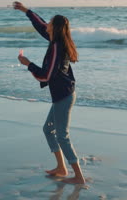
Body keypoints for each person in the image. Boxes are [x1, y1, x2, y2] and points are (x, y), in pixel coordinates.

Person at [14, 2, 86, 184]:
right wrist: (26, 11)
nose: (47, 25)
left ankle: (78, 176)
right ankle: (62, 168)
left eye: (50, 23)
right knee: (48, 130)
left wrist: (28, 64)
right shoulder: (57, 41)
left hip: (64, 96)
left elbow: (46, 76)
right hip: (62, 94)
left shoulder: (56, 48)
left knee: (62, 135)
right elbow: (40, 25)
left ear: (55, 28)